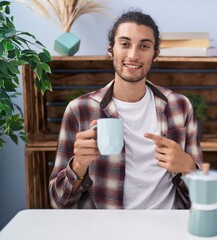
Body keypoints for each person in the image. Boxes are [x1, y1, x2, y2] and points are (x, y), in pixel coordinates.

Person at [49, 10, 203, 209]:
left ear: (155, 54)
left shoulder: (180, 106)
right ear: (111, 50)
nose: (133, 55)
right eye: (125, 44)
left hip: (168, 226)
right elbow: (57, 201)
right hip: (108, 229)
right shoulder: (80, 110)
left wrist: (188, 168)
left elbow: (201, 198)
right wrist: (78, 165)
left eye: (144, 46)